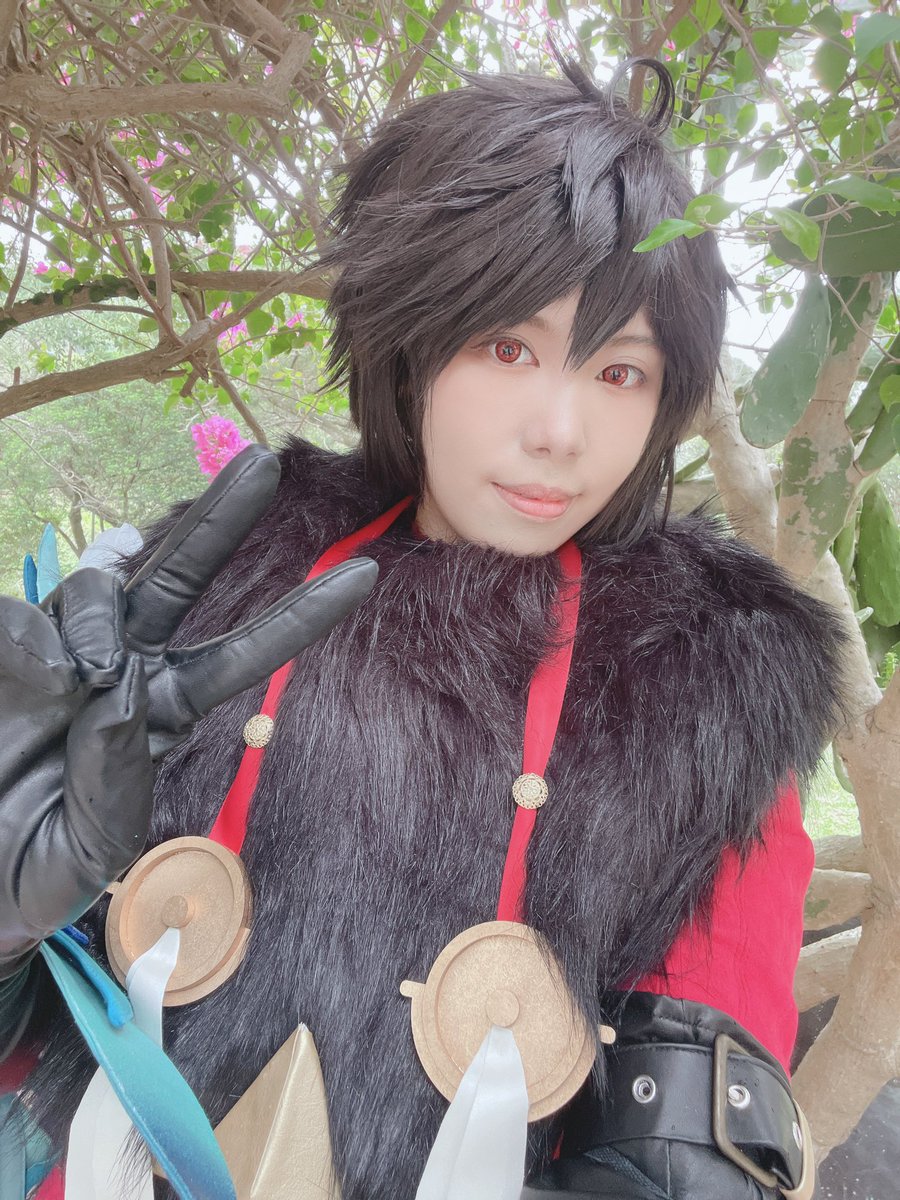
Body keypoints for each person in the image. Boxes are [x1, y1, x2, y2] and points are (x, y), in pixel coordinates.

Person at [0, 51, 849, 1200]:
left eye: (621, 373)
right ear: (410, 341)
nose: (561, 431)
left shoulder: (710, 681)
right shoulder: (207, 579)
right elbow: (38, 1051)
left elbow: (687, 1161)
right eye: (508, 347)